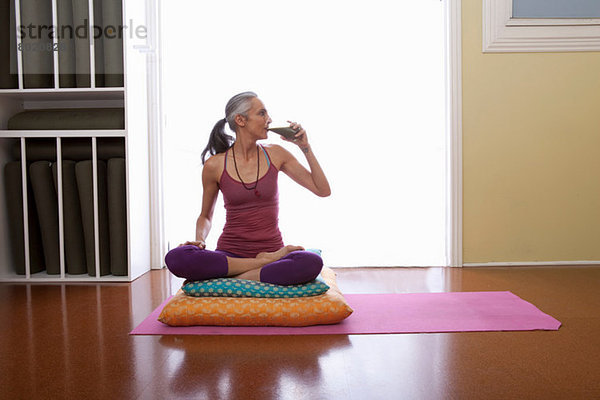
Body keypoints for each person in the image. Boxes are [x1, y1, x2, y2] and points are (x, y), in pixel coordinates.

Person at [164, 91, 331, 285]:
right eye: (262, 113)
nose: (269, 119)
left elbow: (322, 190)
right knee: (176, 257)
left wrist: (304, 146)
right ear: (241, 120)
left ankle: (230, 278)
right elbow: (205, 216)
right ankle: (256, 268)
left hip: (273, 252)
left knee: (310, 262)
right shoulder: (215, 165)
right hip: (231, 254)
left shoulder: (276, 154)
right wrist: (199, 240)